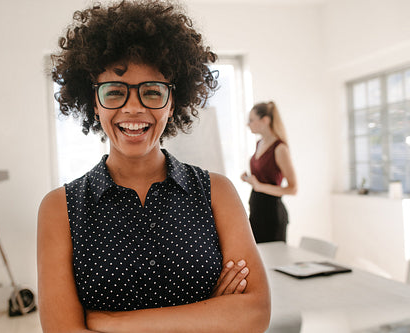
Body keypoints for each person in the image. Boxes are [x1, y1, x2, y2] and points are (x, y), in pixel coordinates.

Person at [37, 1, 270, 332]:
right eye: (115, 92)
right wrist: (210, 315)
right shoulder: (59, 209)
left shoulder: (217, 192)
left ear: (172, 101)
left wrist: (113, 323)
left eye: (152, 91)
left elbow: (255, 314)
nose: (133, 108)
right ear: (95, 102)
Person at [240, 101, 297, 243]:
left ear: (265, 120)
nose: (248, 124)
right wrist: (249, 179)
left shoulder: (280, 148)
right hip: (256, 211)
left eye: (251, 120)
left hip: (272, 215)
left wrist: (259, 186)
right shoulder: (259, 144)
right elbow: (262, 179)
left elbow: (293, 189)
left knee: (273, 259)